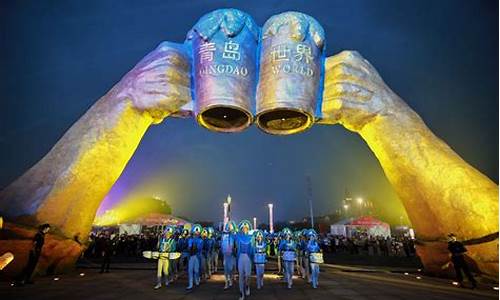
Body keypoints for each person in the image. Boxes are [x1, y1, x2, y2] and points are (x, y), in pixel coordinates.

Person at [235, 220, 254, 300]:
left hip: (248, 257)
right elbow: (237, 248)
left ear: (248, 228)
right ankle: (241, 293)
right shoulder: (238, 236)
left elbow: (252, 249)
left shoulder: (251, 237)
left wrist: (252, 259)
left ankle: (247, 286)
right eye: (243, 228)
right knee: (241, 276)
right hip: (241, 257)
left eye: (246, 228)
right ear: (241, 229)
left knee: (248, 275)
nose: (245, 229)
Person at [186, 224, 203, 291]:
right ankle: (190, 284)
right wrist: (190, 250)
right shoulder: (190, 240)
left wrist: (194, 248)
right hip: (191, 256)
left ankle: (197, 279)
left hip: (197, 256)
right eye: (195, 231)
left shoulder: (200, 240)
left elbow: (199, 248)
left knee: (196, 270)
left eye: (197, 231)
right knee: (190, 270)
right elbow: (189, 247)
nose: (196, 233)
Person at [221, 221, 236, 290]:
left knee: (231, 268)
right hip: (225, 253)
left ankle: (231, 279)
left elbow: (236, 245)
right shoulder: (224, 235)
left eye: (231, 226)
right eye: (229, 226)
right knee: (225, 269)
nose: (230, 227)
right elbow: (222, 244)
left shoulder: (234, 235)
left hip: (231, 254)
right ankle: (226, 282)